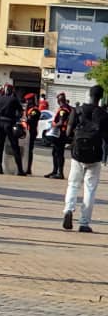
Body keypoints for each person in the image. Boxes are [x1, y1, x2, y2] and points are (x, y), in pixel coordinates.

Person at [61, 85, 108, 233]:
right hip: (94, 157)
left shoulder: (77, 110)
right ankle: (84, 223)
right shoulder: (104, 114)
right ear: (100, 97)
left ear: (89, 94)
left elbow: (68, 131)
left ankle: (68, 209)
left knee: (73, 184)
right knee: (90, 189)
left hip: (77, 154)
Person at [0, 86, 25, 175]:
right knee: (15, 147)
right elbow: (20, 111)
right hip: (9, 124)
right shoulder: (14, 99)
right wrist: (17, 119)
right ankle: (20, 170)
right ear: (12, 91)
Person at [45, 93, 71, 179]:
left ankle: (60, 173)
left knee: (59, 154)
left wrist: (52, 126)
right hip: (59, 134)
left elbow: (61, 122)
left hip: (60, 134)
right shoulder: (65, 108)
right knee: (55, 153)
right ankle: (55, 171)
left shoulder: (64, 110)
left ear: (59, 100)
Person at [22, 93, 41, 175]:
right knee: (25, 151)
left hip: (31, 132)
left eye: (28, 100)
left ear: (31, 100)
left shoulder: (34, 110)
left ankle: (28, 168)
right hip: (26, 131)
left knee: (29, 151)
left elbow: (30, 120)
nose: (27, 102)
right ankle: (25, 166)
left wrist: (24, 119)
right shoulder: (28, 109)